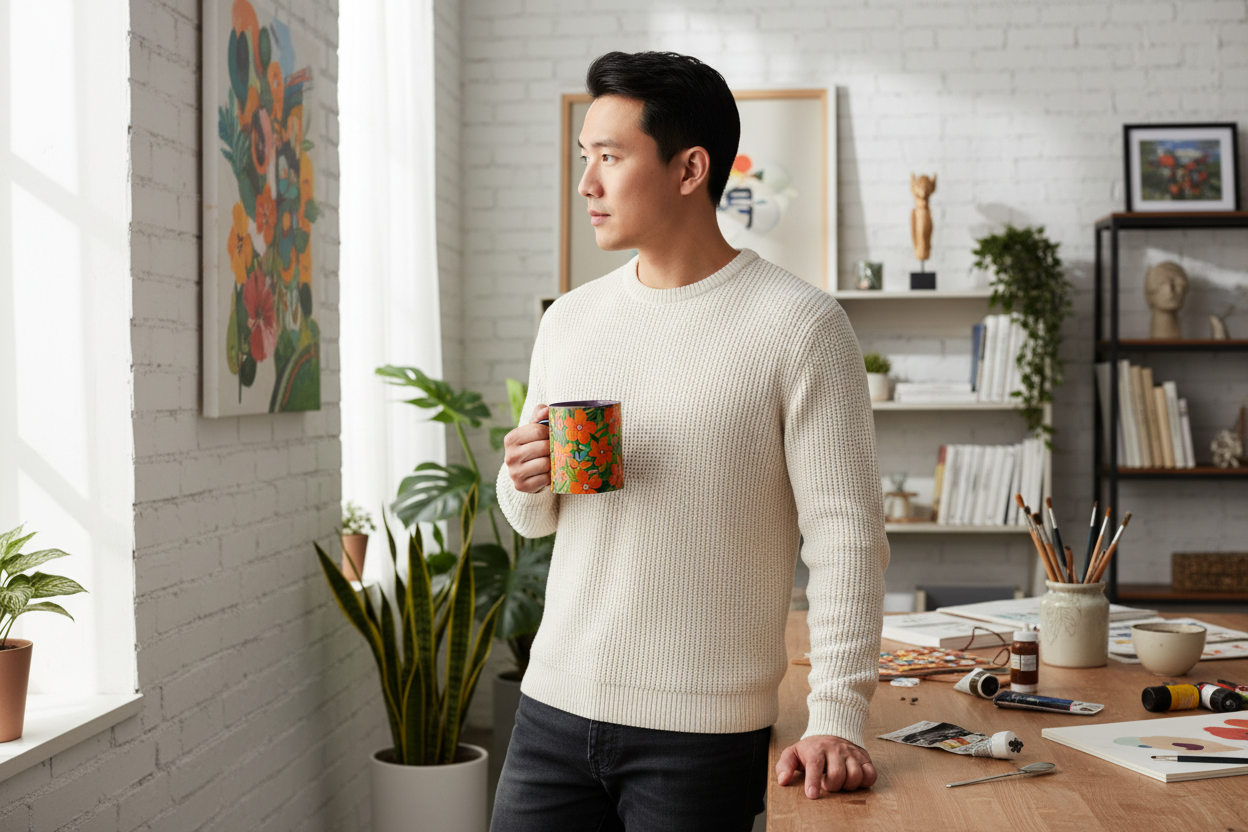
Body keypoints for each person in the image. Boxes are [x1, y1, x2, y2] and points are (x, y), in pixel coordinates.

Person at [492, 50, 889, 832]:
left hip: (703, 735)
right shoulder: (568, 320)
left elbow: (847, 537)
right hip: (550, 710)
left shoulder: (800, 326)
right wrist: (524, 477)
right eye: (585, 159)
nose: (587, 185)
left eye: (610, 157)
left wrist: (835, 715)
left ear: (689, 168)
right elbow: (534, 519)